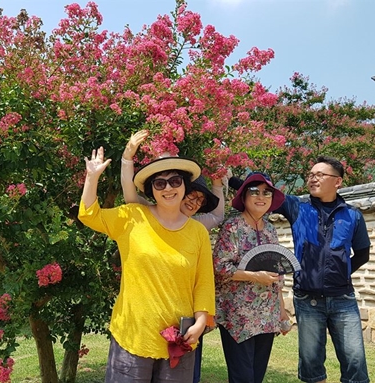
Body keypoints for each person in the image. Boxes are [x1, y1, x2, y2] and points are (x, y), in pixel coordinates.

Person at [79, 146, 215, 383]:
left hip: (179, 340)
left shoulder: (198, 232)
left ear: (185, 185)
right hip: (134, 336)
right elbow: (90, 214)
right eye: (159, 184)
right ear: (152, 190)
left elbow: (203, 282)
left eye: (174, 181)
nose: (168, 188)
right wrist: (92, 178)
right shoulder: (132, 217)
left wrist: (202, 321)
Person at [120, 130, 225, 383]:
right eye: (192, 195)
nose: (194, 202)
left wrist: (219, 184)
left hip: (184, 320)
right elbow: (130, 196)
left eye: (200, 200)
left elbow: (219, 216)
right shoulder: (150, 213)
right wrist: (127, 159)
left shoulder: (198, 227)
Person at [274, 156, 371, 383]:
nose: (312, 179)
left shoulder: (352, 215)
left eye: (320, 175)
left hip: (343, 299)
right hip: (308, 300)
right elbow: (265, 193)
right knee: (311, 363)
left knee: (355, 361)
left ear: (337, 182)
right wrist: (230, 181)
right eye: (310, 175)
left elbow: (362, 254)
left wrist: (340, 273)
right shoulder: (297, 207)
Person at [213, 171, 290, 383]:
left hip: (267, 315)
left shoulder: (271, 230)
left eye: (267, 192)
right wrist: (255, 276)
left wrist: (282, 312)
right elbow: (220, 267)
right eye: (254, 191)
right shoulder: (232, 227)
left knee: (256, 376)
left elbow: (275, 275)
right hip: (238, 316)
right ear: (244, 196)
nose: (260, 196)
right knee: (242, 377)